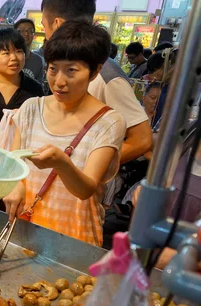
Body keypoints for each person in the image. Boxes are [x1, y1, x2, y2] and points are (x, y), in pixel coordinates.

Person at [3, 20, 126, 247]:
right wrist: (15, 186)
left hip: (75, 239)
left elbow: (85, 189)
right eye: (53, 69)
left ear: (95, 71)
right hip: (25, 231)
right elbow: (13, 165)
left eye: (71, 71)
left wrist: (61, 162)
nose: (59, 82)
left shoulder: (109, 122)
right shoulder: (31, 108)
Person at [40, 0, 152, 192]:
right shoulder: (39, 100)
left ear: (57, 24)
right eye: (53, 69)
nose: (60, 80)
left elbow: (142, 139)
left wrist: (87, 165)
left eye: (43, 25)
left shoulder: (107, 76)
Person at [14, 18, 45, 84]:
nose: (26, 34)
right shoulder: (9, 58)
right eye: (21, 31)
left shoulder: (38, 60)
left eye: (30, 30)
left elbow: (39, 87)